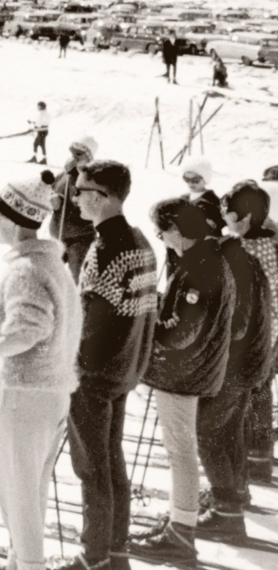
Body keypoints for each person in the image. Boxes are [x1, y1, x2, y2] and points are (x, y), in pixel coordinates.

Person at [0, 170, 82, 570]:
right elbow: (35, 327)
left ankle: (28, 564)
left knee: (17, 492)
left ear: (11, 217)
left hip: (26, 394)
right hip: (52, 391)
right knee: (31, 489)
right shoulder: (52, 265)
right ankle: (20, 560)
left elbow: (27, 333)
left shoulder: (26, 269)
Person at [64, 160, 158, 570]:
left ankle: (95, 555)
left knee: (92, 468)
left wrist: (70, 363)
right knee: (111, 462)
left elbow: (91, 324)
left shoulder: (106, 249)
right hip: (125, 369)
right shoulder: (140, 240)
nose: (75, 198)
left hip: (96, 374)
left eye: (81, 191)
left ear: (102, 197)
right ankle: (115, 552)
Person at [131, 199, 235, 567]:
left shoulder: (200, 266)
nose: (160, 237)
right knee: (181, 450)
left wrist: (150, 325)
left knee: (180, 451)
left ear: (177, 228)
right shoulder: (204, 259)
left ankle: (181, 532)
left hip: (184, 374)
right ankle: (181, 526)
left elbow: (182, 332)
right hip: (191, 371)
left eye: (162, 229)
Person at [196, 222, 272, 540]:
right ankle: (233, 496)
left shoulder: (234, 271)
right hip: (249, 366)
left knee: (210, 433)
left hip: (232, 368)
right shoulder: (250, 266)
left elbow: (235, 326)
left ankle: (226, 511)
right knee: (230, 432)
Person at [220, 181, 278, 486]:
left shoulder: (240, 250)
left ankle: (236, 475)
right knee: (261, 396)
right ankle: (260, 458)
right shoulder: (272, 241)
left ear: (243, 217)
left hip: (245, 341)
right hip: (270, 337)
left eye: (228, 214)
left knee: (237, 406)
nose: (224, 221)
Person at [48, 136, 98, 282]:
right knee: (53, 278)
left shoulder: (90, 177)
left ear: (89, 157)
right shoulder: (64, 174)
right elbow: (52, 189)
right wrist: (53, 197)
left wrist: (78, 175)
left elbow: (85, 203)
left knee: (76, 279)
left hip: (79, 238)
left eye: (79, 154)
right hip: (59, 235)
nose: (74, 158)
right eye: (73, 153)